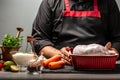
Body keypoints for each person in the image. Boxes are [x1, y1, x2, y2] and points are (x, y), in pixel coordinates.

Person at [32, 0, 120, 64]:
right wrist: (59, 54)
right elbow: (39, 40)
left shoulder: (108, 3)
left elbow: (118, 39)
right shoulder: (51, 2)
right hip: (61, 67)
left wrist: (111, 52)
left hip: (100, 68)